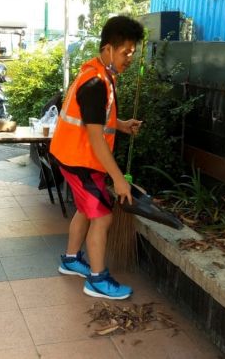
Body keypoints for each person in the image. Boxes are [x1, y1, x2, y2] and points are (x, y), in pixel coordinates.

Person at [49, 16, 144, 300]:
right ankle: (97, 279)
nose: (129, 58)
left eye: (132, 52)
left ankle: (70, 259)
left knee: (84, 209)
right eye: (126, 52)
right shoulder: (95, 84)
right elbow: (94, 137)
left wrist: (121, 124)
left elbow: (95, 123)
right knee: (102, 218)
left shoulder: (99, 75)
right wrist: (118, 179)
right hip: (82, 161)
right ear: (108, 49)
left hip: (70, 155)